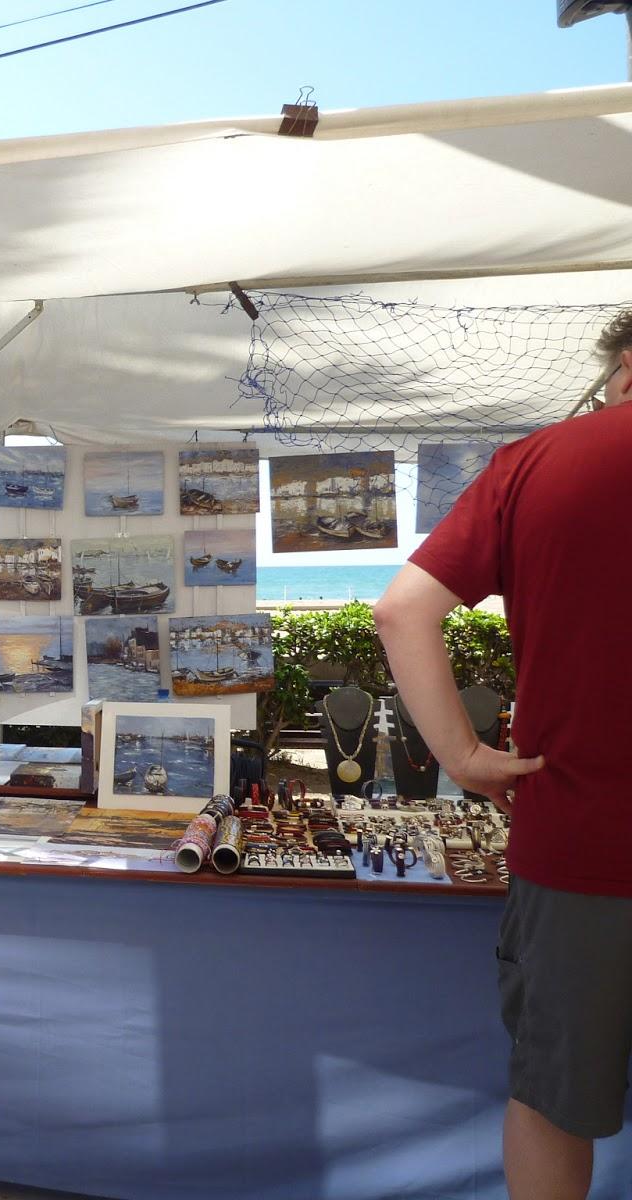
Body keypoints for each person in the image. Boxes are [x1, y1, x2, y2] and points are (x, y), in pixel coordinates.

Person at [374, 310, 632, 1200]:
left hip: (581, 850)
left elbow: (401, 611)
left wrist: (466, 755)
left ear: (626, 368)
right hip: (580, 852)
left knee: (555, 1101)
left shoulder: (540, 460)